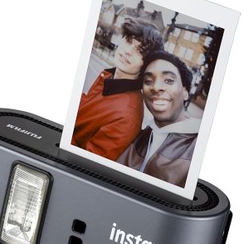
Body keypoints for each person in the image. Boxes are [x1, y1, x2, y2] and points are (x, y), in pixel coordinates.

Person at [72, 19, 164, 161]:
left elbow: (85, 163)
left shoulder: (127, 116)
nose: (128, 51)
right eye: (128, 40)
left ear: (147, 64)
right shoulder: (109, 77)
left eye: (140, 51)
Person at [118, 51, 200, 188]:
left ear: (185, 92)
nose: (156, 87)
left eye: (168, 80)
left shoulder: (198, 148)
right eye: (148, 81)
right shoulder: (139, 134)